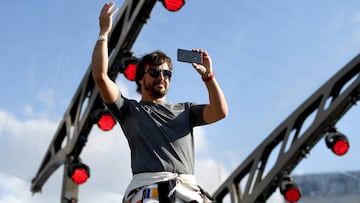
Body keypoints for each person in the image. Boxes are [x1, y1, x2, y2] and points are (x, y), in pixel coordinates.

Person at [91, 2, 228, 203]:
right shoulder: (128, 109)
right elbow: (101, 76)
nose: (161, 77)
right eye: (154, 72)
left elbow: (220, 112)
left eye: (167, 73)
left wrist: (209, 77)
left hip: (187, 192)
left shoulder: (185, 110)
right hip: (149, 192)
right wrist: (104, 33)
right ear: (140, 78)